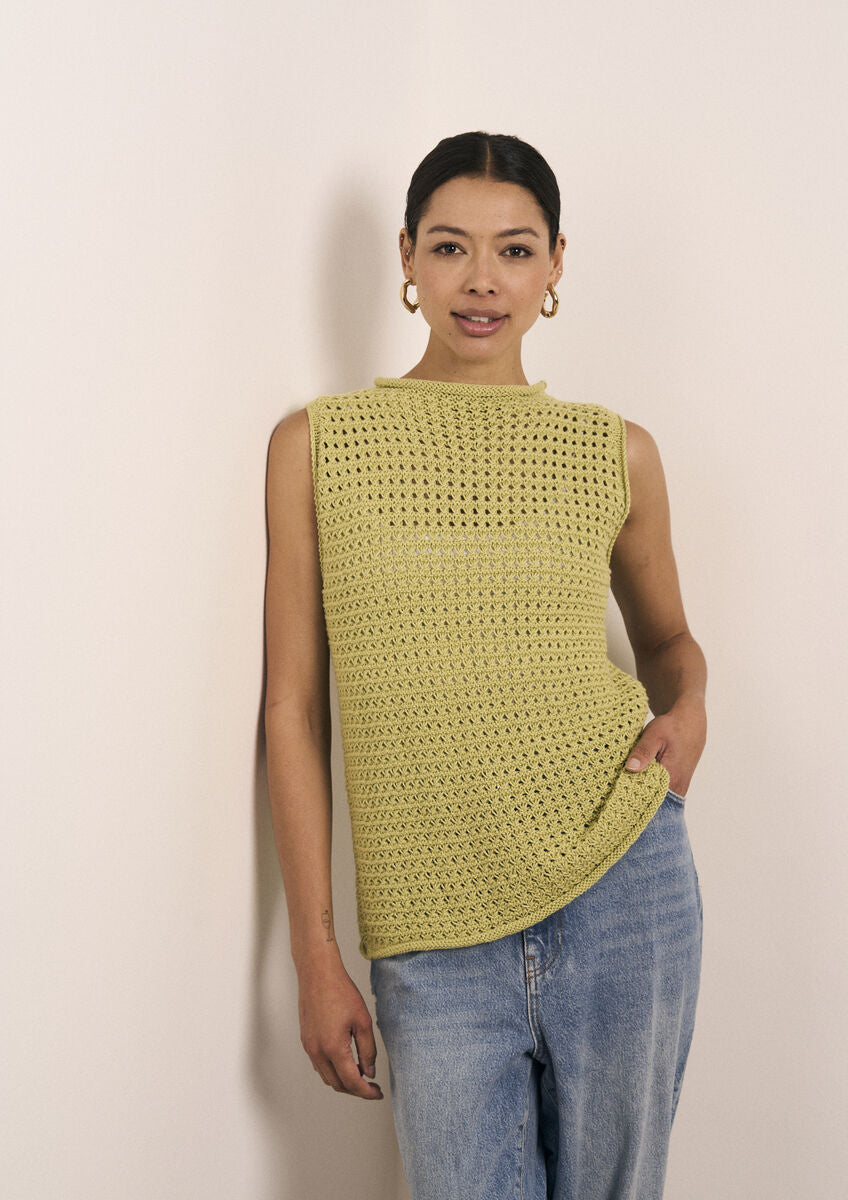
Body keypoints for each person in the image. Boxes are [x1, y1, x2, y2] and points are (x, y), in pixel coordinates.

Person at [264, 130, 707, 1200]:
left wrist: (691, 708)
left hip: (622, 886)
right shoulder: (317, 446)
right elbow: (292, 709)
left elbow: (667, 643)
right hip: (431, 938)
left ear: (554, 264)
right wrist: (315, 955)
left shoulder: (615, 451)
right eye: (450, 246)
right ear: (408, 257)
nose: (480, 281)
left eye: (514, 250)